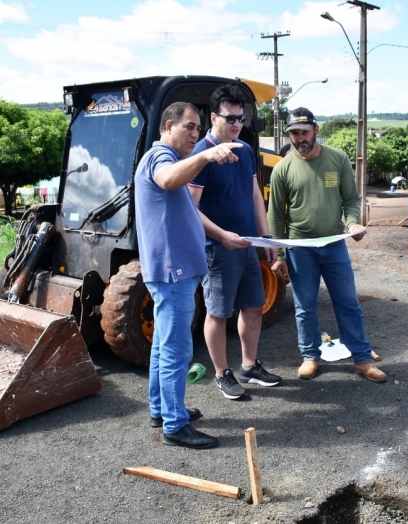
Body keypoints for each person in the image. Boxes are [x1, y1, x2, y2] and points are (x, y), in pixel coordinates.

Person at [135, 101, 242, 449]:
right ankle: (175, 425)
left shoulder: (171, 159)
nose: (195, 135)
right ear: (169, 126)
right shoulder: (160, 158)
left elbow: (185, 207)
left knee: (164, 345)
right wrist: (206, 156)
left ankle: (161, 409)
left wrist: (222, 235)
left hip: (175, 269)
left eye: (198, 129)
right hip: (172, 271)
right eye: (189, 127)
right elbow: (166, 180)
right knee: (176, 349)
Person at [267, 107, 387, 383]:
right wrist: (280, 254)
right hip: (300, 248)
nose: (300, 138)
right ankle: (310, 357)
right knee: (304, 306)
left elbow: (351, 200)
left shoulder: (337, 159)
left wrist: (353, 224)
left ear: (316, 130)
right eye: (294, 133)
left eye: (304, 132)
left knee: (348, 303)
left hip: (334, 245)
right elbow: (276, 214)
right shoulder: (283, 168)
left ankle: (362, 358)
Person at [188, 85, 282, 400]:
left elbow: (256, 195)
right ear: (213, 117)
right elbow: (190, 208)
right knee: (217, 312)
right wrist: (222, 236)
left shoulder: (242, 149)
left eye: (240, 118)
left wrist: (265, 237)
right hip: (218, 248)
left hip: (246, 244)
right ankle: (221, 373)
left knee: (254, 305)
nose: (237, 124)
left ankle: (250, 366)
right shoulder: (202, 154)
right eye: (230, 118)